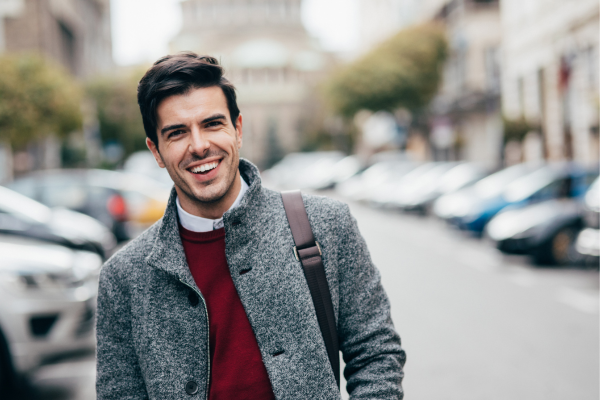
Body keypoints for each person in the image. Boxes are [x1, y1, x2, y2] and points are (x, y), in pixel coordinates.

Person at [95, 52, 406, 400]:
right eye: (178, 132)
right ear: (156, 150)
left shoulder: (326, 225)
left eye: (212, 124)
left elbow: (376, 352)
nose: (199, 146)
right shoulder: (123, 278)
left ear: (238, 129)